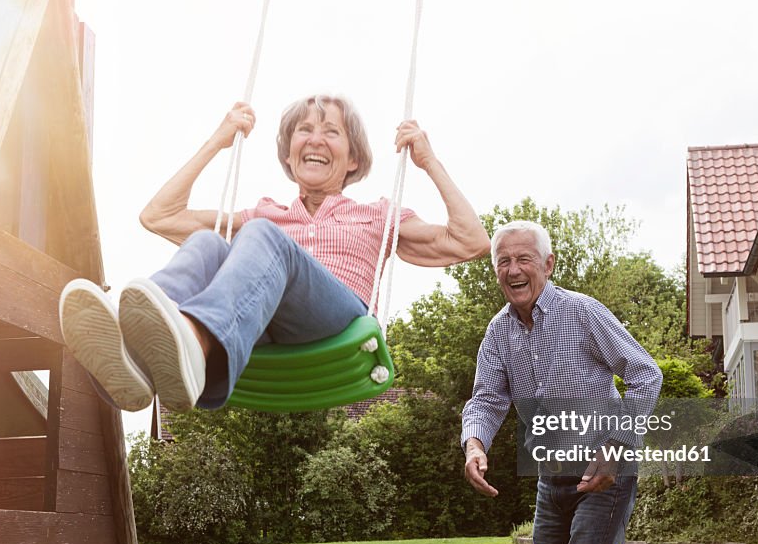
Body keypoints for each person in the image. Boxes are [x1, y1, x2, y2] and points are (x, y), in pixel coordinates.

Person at [60, 94, 489, 412]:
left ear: (354, 159)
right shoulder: (265, 216)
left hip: (335, 321)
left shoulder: (376, 214)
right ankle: (129, 355)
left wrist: (428, 160)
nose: (315, 139)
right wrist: (218, 140)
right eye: (304, 130)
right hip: (258, 321)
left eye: (331, 131)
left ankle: (190, 339)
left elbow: (471, 241)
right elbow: (159, 215)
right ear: (289, 153)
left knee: (260, 234)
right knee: (210, 242)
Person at [460, 220, 662, 544]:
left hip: (603, 478)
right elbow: (487, 398)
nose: (514, 270)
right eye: (504, 261)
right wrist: (475, 443)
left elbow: (645, 373)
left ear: (548, 265)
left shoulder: (582, 312)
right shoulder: (498, 332)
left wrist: (615, 444)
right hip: (550, 485)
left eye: (524, 259)